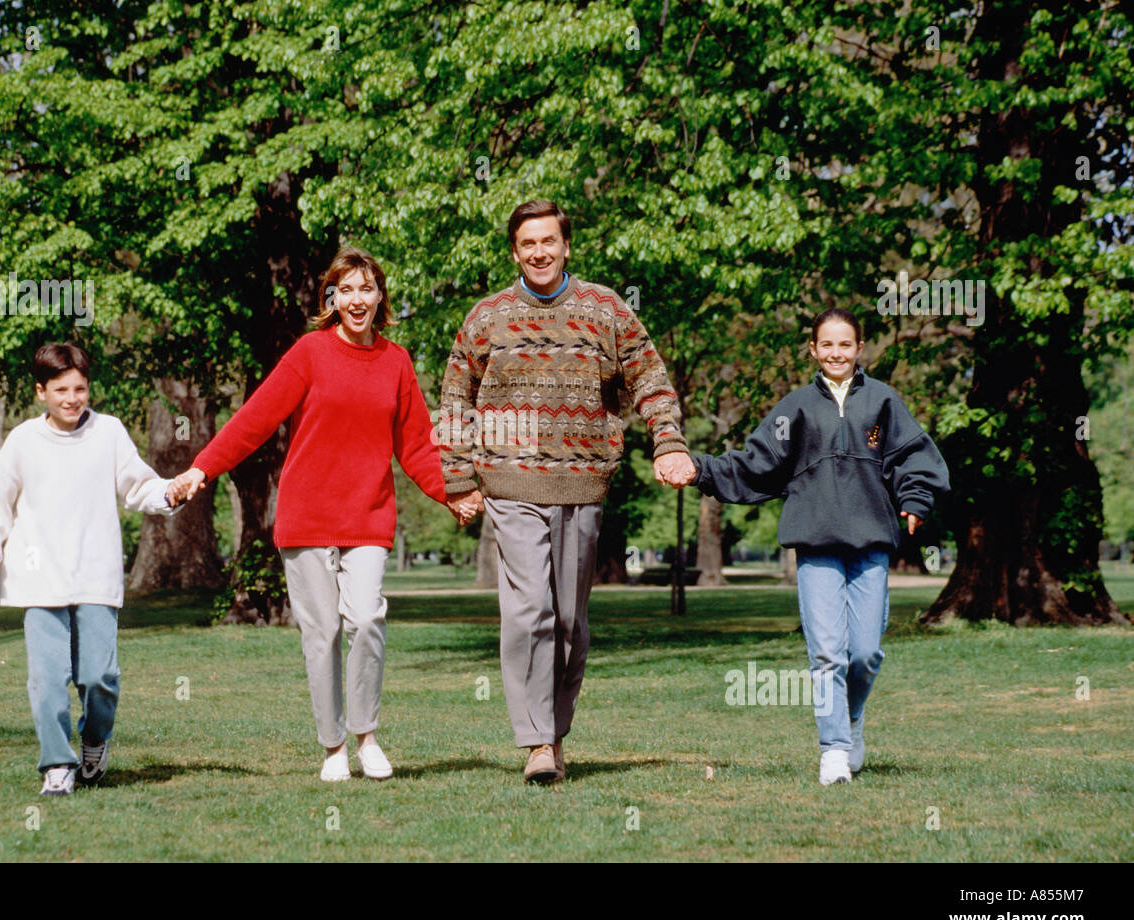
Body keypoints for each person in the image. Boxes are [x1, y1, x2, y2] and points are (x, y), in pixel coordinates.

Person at [169, 247, 456, 782]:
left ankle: (367, 736)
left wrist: (453, 495)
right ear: (332, 298)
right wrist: (201, 470)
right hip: (305, 517)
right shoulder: (310, 353)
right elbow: (255, 419)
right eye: (344, 290)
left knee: (367, 618)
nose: (355, 299)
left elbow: (416, 445)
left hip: (368, 516)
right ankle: (332, 748)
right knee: (321, 633)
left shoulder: (396, 362)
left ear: (380, 297)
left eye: (365, 289)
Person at [438, 199, 695, 784]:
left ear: (565, 245)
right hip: (510, 481)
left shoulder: (605, 309)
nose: (538, 252)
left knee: (571, 623)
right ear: (514, 251)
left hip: (583, 482)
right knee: (531, 611)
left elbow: (649, 377)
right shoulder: (486, 317)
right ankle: (535, 744)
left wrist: (669, 441)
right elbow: (455, 400)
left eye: (548, 241)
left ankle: (553, 734)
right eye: (527, 243)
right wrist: (458, 480)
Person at [690, 307, 950, 785]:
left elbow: (913, 457)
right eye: (826, 345)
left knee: (866, 654)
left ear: (860, 349)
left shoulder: (883, 402)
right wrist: (701, 470)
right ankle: (833, 749)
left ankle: (851, 721)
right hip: (816, 546)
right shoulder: (796, 408)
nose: (836, 353)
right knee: (827, 653)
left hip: (871, 542)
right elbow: (756, 463)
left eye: (845, 344)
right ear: (813, 349)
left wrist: (915, 499)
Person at [0, 342, 182, 795]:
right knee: (47, 680)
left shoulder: (109, 433)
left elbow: (137, 485)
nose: (72, 398)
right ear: (40, 392)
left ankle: (95, 741)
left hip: (95, 577)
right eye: (61, 389)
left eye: (80, 388)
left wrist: (167, 493)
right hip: (39, 580)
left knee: (98, 677)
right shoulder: (24, 440)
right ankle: (57, 765)